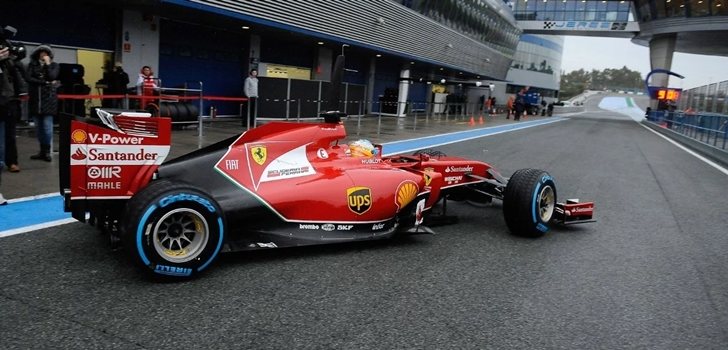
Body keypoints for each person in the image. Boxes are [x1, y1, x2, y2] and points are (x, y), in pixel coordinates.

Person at [26, 44, 59, 162]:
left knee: (47, 128)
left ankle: (47, 151)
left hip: (48, 101)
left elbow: (52, 76)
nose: (43, 54)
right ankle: (41, 151)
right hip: (35, 100)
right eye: (41, 52)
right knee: (38, 128)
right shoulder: (32, 65)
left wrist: (48, 64)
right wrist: (44, 82)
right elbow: (29, 78)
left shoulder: (54, 65)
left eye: (46, 52)